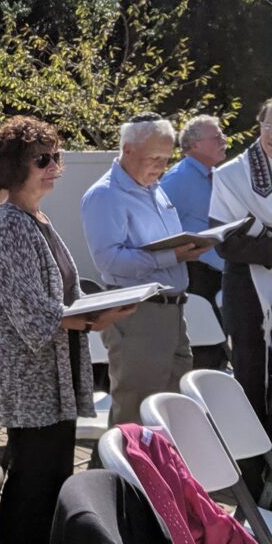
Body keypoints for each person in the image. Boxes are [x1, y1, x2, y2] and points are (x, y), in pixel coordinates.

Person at [0, 116, 135, 544]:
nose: (54, 165)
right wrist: (88, 319)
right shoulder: (10, 221)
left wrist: (98, 310)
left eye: (56, 157)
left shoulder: (37, 218)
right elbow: (29, 309)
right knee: (34, 477)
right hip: (29, 376)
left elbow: (66, 291)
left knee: (51, 474)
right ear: (15, 167)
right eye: (42, 159)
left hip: (55, 373)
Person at [81, 113, 202, 426]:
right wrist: (171, 257)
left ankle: (163, 474)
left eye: (165, 158)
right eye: (154, 158)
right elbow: (109, 261)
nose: (161, 167)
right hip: (138, 315)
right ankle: (118, 475)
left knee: (173, 410)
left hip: (172, 311)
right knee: (136, 411)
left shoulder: (155, 188)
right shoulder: (105, 195)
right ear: (127, 150)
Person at [209, 95, 272, 492]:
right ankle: (253, 477)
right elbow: (225, 241)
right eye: (269, 125)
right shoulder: (232, 175)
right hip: (250, 296)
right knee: (253, 381)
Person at [161, 114, 229, 369]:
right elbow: (161, 227)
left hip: (218, 275)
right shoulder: (178, 178)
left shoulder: (215, 176)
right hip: (196, 276)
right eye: (216, 136)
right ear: (194, 144)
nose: (223, 139)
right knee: (204, 351)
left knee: (219, 351)